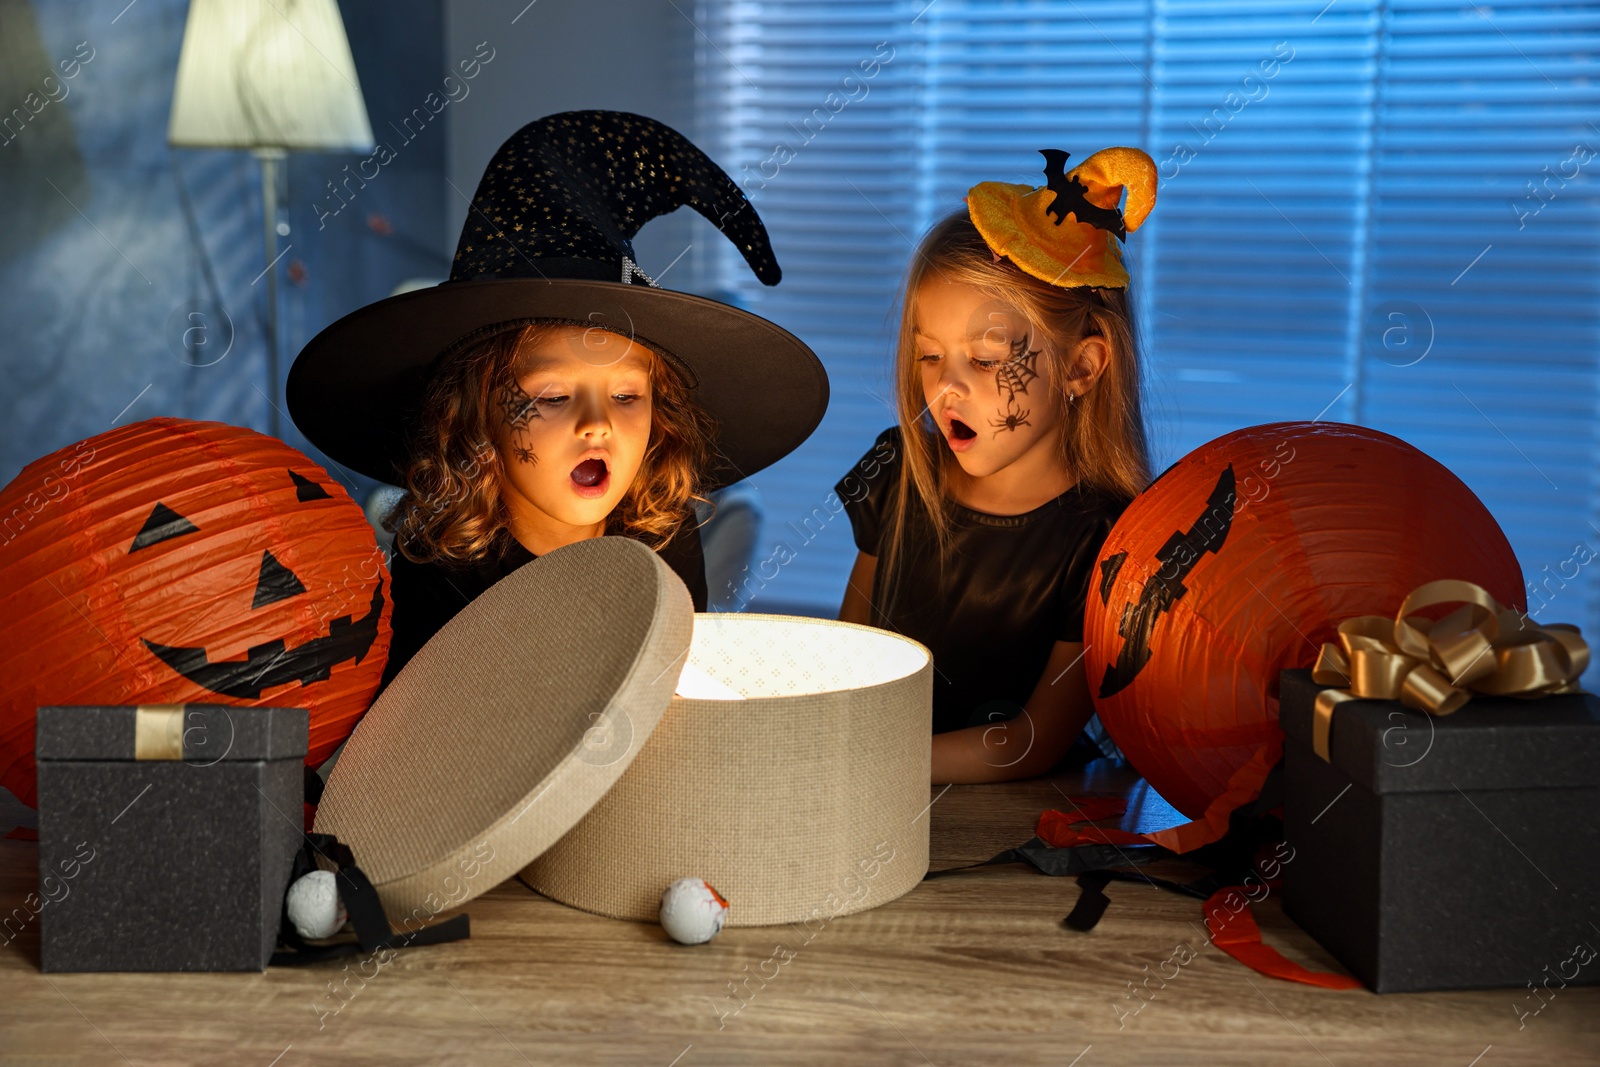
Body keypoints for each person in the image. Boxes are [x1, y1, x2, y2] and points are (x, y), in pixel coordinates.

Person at [283, 111, 826, 696]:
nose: (597, 425)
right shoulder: (441, 557)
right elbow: (423, 737)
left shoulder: (663, 535)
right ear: (477, 417)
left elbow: (672, 700)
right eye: (553, 396)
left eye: (626, 395)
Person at [836, 147, 1158, 784]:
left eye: (984, 360)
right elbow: (847, 664)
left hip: (1017, 825)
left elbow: (1032, 741)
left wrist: (872, 762)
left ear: (1081, 367)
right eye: (930, 356)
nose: (945, 388)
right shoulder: (896, 473)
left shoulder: (1109, 541)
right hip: (872, 798)